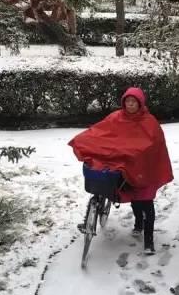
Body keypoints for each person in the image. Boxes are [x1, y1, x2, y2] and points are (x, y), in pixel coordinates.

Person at [68, 87, 173, 254]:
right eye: (128, 102)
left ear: (140, 103)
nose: (130, 105)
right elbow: (100, 132)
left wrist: (136, 153)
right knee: (135, 201)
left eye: (134, 102)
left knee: (145, 202)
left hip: (144, 169)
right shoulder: (116, 117)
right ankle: (138, 224)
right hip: (124, 168)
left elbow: (155, 145)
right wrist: (83, 140)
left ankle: (149, 242)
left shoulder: (149, 122)